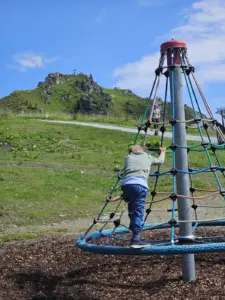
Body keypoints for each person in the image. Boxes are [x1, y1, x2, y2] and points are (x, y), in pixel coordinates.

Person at [121, 145, 166, 248]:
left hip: (126, 186)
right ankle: (136, 240)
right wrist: (162, 152)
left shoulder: (128, 157)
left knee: (132, 210)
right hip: (139, 185)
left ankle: (134, 233)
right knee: (138, 211)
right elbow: (160, 161)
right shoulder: (147, 157)